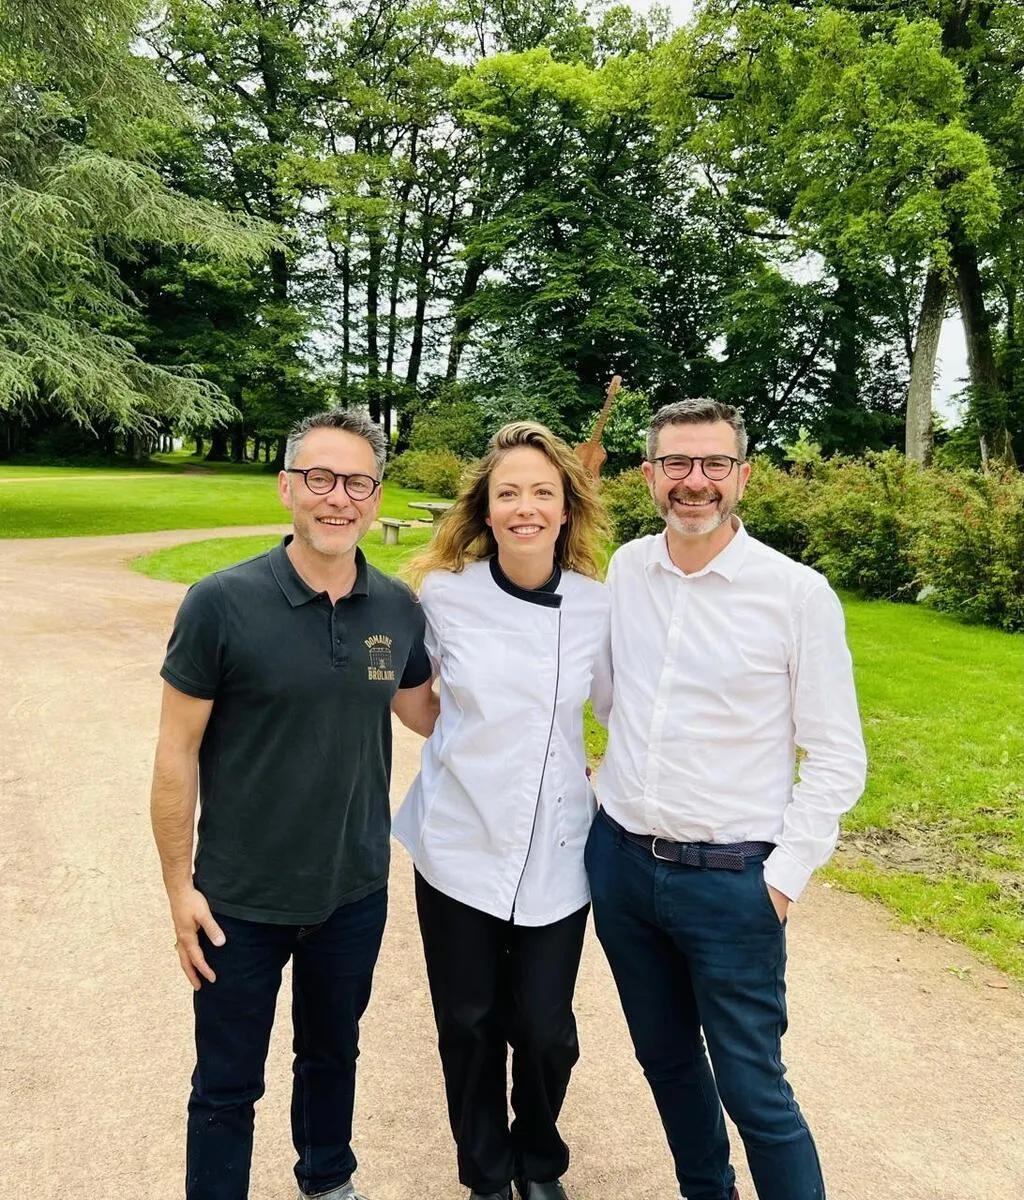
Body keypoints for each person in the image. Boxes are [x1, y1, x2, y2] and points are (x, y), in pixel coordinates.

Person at [149, 408, 436, 1200]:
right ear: (286, 488)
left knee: (332, 1054)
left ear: (376, 497)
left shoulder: (397, 608)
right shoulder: (220, 602)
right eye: (319, 478)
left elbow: (425, 711)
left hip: (353, 890)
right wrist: (179, 888)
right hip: (238, 899)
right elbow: (175, 752)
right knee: (226, 1081)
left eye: (357, 483)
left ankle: (327, 1180)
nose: (338, 497)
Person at [586, 398, 867, 1200]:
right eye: (676, 463)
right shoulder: (627, 570)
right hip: (622, 866)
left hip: (734, 880)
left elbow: (838, 754)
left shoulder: (795, 593)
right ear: (649, 476)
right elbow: (609, 699)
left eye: (714, 463)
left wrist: (782, 879)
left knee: (754, 1089)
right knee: (666, 1060)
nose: (695, 481)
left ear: (743, 475)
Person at [392, 421, 612, 1200]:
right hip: (459, 843)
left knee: (547, 1032)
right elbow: (413, 701)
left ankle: (538, 1157)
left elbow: (621, 713)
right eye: (508, 493)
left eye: (542, 493)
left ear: (566, 509)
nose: (525, 507)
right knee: (469, 1024)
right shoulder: (444, 596)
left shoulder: (598, 607)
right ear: (485, 509)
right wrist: (471, 742)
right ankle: (487, 1172)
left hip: (557, 850)